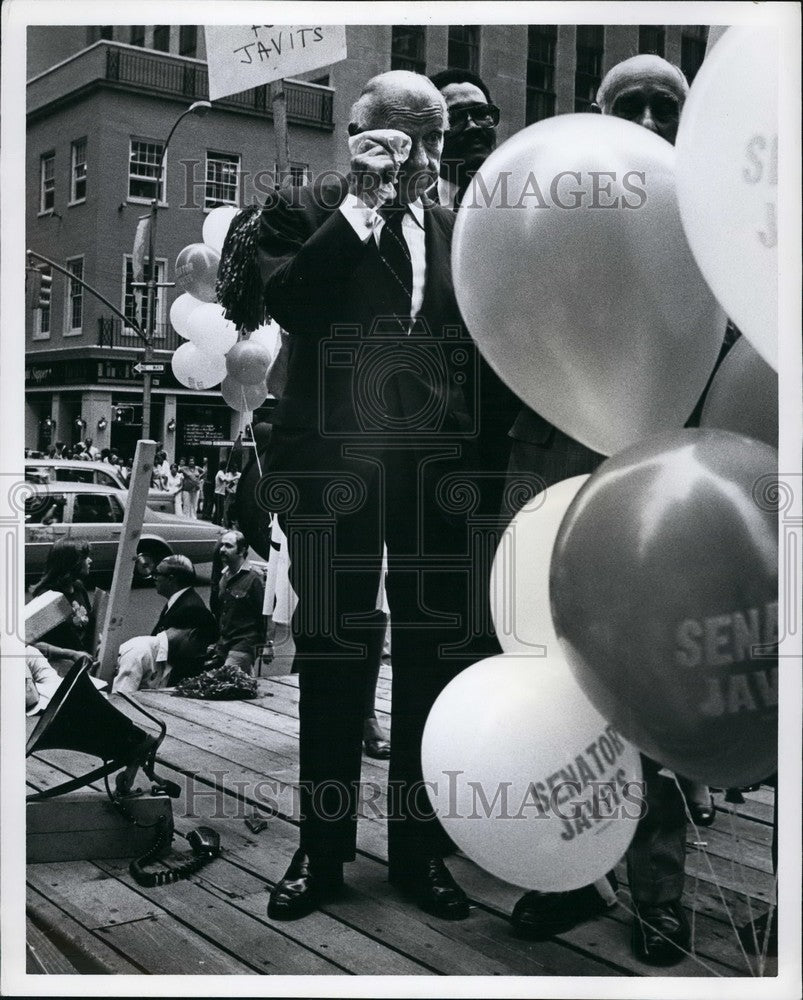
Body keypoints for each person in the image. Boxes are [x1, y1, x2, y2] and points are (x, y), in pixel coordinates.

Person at [256, 70, 505, 923]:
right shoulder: (301, 210)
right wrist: (360, 207)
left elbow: (480, 357)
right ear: (360, 134)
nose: (427, 155)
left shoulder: (457, 230)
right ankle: (320, 851)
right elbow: (286, 299)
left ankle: (416, 852)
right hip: (333, 475)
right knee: (333, 659)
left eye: (433, 137)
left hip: (433, 480)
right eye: (404, 135)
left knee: (429, 667)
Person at [501, 55, 695, 965]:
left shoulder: (708, 225)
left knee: (650, 685)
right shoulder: (547, 207)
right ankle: (567, 873)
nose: (652, 119)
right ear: (597, 116)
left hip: (663, 485)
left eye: (668, 105)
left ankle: (659, 892)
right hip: (553, 474)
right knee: (557, 682)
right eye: (633, 105)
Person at [112, 554, 218, 693]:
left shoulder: (190, 608)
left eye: (157, 574)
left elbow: (187, 654)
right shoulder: (181, 601)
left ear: (171, 578)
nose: (154, 578)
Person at [31, 537, 97, 674]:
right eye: (85, 557)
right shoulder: (49, 596)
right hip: (57, 669)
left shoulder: (78, 588)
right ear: (73, 563)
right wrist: (70, 654)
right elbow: (31, 643)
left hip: (81, 664)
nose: (90, 561)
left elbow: (88, 626)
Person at [205, 530, 265, 674]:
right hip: (225, 643)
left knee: (226, 677)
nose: (222, 550)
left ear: (242, 550)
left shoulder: (254, 578)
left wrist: (268, 645)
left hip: (245, 643)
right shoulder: (224, 576)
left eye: (228, 546)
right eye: (221, 545)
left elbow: (265, 614)